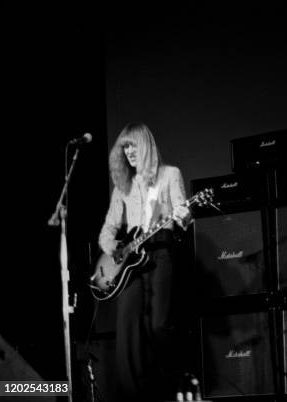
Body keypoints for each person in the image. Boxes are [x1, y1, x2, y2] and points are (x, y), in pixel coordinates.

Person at [98, 122, 192, 401]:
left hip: (160, 252)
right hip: (130, 261)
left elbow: (183, 218)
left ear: (146, 145)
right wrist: (115, 249)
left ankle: (171, 386)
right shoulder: (123, 187)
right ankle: (133, 395)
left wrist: (183, 214)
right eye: (124, 147)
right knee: (127, 328)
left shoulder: (170, 175)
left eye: (133, 145)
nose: (128, 151)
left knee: (158, 326)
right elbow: (107, 231)